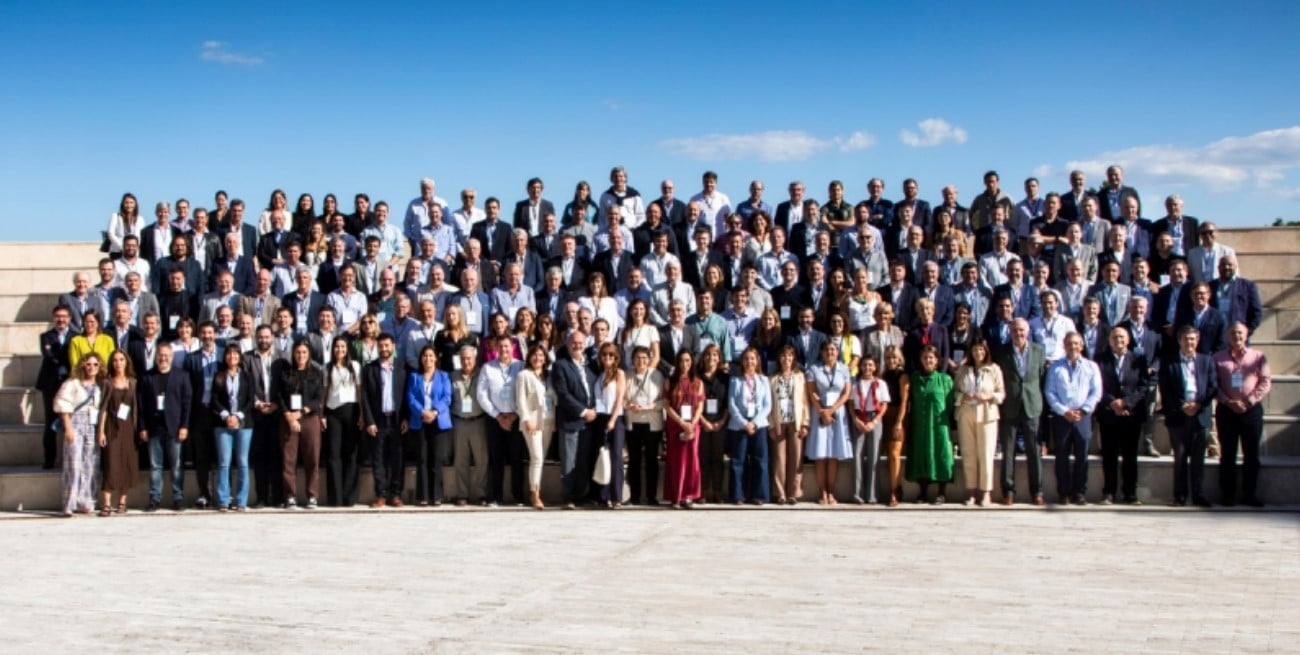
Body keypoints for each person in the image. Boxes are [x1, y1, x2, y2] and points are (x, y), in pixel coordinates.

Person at [1214, 321, 1272, 507]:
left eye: (1240, 333)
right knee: (1227, 454)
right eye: (1233, 333)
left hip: (1251, 411)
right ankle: (1228, 495)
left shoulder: (1258, 356)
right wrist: (1228, 401)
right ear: (1227, 336)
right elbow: (1213, 384)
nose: (1236, 336)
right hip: (1227, 411)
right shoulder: (1218, 358)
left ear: (1246, 335)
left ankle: (1250, 494)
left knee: (1251, 454)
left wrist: (1249, 401)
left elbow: (1265, 382)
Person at [1161, 326, 1218, 507]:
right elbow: (1165, 389)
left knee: (1198, 458)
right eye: (1185, 339)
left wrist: (1198, 404)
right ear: (1179, 341)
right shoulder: (1168, 361)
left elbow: (1212, 387)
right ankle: (1180, 495)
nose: (1189, 342)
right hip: (1178, 415)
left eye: (1192, 339)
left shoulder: (1206, 361)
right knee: (1180, 456)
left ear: (1197, 341)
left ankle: (1198, 495)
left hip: (1200, 414)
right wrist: (1182, 405)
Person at [1044, 332, 1103, 505]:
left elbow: (1096, 392)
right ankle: (1063, 493)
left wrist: (1083, 411)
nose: (1073, 347)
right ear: (1064, 346)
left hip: (1083, 417)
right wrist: (1064, 411)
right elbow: (1049, 392)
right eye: (1069, 343)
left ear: (1082, 346)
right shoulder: (1055, 368)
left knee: (1082, 455)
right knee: (1061, 455)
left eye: (1076, 343)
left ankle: (1079, 492)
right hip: (1062, 417)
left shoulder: (1091, 367)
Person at [1096, 327, 1151, 506]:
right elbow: (1097, 385)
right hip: (1108, 414)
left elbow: (1143, 386)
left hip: (1131, 415)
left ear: (1127, 340)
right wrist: (1112, 402)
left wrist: (1127, 403)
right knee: (1109, 456)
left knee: (1130, 456)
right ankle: (1109, 493)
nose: (1118, 340)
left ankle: (1130, 493)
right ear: (1109, 341)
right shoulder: (1100, 359)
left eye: (1121, 337)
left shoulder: (1138, 360)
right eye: (1114, 337)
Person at [994, 319, 1047, 505]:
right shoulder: (1002, 352)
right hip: (1010, 405)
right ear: (1010, 332)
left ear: (1028, 331)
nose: (1019, 333)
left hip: (1032, 405)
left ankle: (1037, 491)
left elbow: (1041, 376)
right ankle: (1008, 491)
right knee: (1008, 451)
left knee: (1034, 451)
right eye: (1015, 330)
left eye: (1022, 330)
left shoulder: (1039, 351)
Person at [952, 340, 1005, 507]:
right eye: (975, 349)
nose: (978, 353)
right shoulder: (963, 370)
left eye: (981, 349)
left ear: (986, 351)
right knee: (968, 453)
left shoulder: (994, 369)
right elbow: (955, 392)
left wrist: (988, 396)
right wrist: (962, 397)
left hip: (987, 413)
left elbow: (1001, 393)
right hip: (966, 412)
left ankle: (986, 492)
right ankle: (971, 492)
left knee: (986, 454)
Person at [361, 334, 408, 507]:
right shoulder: (369, 369)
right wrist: (369, 421)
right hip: (378, 420)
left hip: (397, 420)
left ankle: (396, 494)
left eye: (387, 345)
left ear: (393, 346)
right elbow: (365, 397)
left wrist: (406, 418)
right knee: (378, 459)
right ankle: (381, 494)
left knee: (398, 459)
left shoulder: (403, 368)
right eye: (381, 346)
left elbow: (407, 395)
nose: (384, 349)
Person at [55, 353, 104, 516]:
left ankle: (86, 500)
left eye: (95, 364)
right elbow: (63, 404)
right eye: (88, 364)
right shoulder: (73, 383)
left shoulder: (99, 386)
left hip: (92, 424)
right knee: (73, 464)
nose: (92, 367)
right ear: (83, 365)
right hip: (75, 422)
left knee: (90, 464)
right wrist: (68, 427)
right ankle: (69, 503)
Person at [905, 345, 954, 504]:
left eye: (931, 358)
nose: (928, 360)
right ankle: (923, 492)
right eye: (925, 358)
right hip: (920, 423)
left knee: (941, 454)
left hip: (939, 424)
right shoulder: (915, 379)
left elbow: (950, 403)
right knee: (921, 454)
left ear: (937, 361)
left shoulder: (945, 379)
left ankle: (941, 492)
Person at [276, 342, 322, 509]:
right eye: (298, 352)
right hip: (288, 419)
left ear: (309, 354)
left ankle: (312, 496)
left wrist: (301, 412)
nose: (301, 355)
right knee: (288, 460)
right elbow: (280, 396)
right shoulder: (286, 373)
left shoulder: (316, 373)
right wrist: (289, 416)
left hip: (309, 418)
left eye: (304, 352)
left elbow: (318, 398)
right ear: (293, 354)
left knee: (312, 459)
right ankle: (290, 496)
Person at [210, 345, 255, 511]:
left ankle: (241, 500)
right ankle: (223, 500)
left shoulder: (247, 376)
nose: (232, 356)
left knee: (242, 462)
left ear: (240, 357)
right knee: (224, 462)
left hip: (244, 423)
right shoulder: (219, 375)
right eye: (229, 354)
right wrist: (226, 416)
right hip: (223, 423)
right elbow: (214, 399)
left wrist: (237, 416)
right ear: (225, 357)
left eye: (235, 354)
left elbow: (251, 399)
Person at [406, 345, 451, 507]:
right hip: (420, 421)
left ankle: (437, 495)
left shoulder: (444, 376)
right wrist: (422, 412)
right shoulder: (414, 376)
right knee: (422, 459)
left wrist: (434, 412)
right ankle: (423, 496)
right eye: (425, 356)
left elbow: (447, 398)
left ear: (436, 358)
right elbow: (410, 397)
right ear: (421, 359)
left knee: (436, 459)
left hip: (438, 421)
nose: (428, 359)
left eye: (431, 355)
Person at [727, 348, 772, 505]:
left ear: (757, 361)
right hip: (739, 425)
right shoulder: (735, 381)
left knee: (760, 460)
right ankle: (738, 495)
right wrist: (744, 423)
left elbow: (767, 406)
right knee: (738, 461)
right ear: (742, 361)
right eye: (746, 358)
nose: (749, 362)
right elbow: (731, 404)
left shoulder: (764, 380)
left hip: (759, 424)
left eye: (752, 358)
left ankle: (759, 495)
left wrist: (755, 422)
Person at [95, 350, 138, 515]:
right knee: (111, 463)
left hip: (128, 428)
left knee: (126, 463)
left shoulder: (133, 382)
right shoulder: (107, 383)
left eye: (121, 360)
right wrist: (101, 432)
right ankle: (106, 503)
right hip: (111, 427)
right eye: (115, 360)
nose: (118, 363)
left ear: (126, 362)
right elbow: (103, 409)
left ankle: (122, 502)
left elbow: (135, 407)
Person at [512, 345, 555, 510]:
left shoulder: (549, 376)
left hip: (548, 419)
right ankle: (534, 493)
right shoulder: (524, 375)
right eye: (535, 355)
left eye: (541, 355)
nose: (538, 358)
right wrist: (526, 419)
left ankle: (538, 489)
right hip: (532, 421)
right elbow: (520, 399)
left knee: (541, 458)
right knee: (536, 456)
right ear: (529, 357)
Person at [767, 346, 809, 505]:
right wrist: (771, 425)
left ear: (793, 359)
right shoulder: (772, 378)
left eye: (790, 356)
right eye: (783, 356)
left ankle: (793, 493)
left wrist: (805, 423)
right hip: (779, 421)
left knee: (796, 458)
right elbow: (769, 403)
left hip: (795, 421)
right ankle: (780, 493)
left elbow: (805, 401)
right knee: (779, 458)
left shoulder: (800, 377)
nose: (786, 359)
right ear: (779, 359)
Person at [623, 347, 665, 506]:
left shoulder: (657, 375)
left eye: (644, 358)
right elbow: (621, 398)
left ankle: (651, 496)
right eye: (638, 358)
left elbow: (663, 401)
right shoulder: (627, 375)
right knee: (634, 461)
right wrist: (629, 406)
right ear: (633, 360)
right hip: (633, 422)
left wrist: (649, 406)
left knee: (651, 461)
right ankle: (635, 496)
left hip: (652, 423)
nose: (641, 361)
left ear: (649, 359)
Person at [662, 349, 703, 509]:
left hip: (692, 426)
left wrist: (692, 423)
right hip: (675, 425)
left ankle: (689, 495)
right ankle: (676, 496)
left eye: (687, 360)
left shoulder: (697, 382)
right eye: (681, 360)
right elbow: (666, 405)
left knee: (692, 460)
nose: (684, 364)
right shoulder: (670, 381)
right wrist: (681, 422)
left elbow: (700, 406)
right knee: (676, 461)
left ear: (692, 362)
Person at [450, 345, 489, 505]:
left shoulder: (483, 374)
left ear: (475, 359)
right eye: (463, 359)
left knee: (481, 460)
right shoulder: (453, 376)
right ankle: (462, 494)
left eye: (469, 358)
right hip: (459, 421)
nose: (466, 362)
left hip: (478, 421)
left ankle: (481, 494)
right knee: (460, 460)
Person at [849, 357, 890, 505]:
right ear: (860, 367)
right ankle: (857, 493)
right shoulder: (855, 384)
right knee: (857, 455)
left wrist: (874, 421)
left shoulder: (881, 384)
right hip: (859, 417)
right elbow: (851, 404)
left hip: (874, 418)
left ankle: (872, 494)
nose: (867, 368)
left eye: (870, 365)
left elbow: (884, 405)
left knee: (874, 456)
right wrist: (855, 420)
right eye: (864, 365)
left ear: (875, 367)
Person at [878, 346, 909, 506]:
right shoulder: (882, 376)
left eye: (894, 358)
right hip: (884, 415)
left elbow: (904, 401)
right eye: (888, 357)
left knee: (895, 454)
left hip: (898, 415)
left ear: (899, 359)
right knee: (888, 455)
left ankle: (895, 491)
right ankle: (893, 486)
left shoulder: (902, 376)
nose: (891, 360)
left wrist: (899, 422)